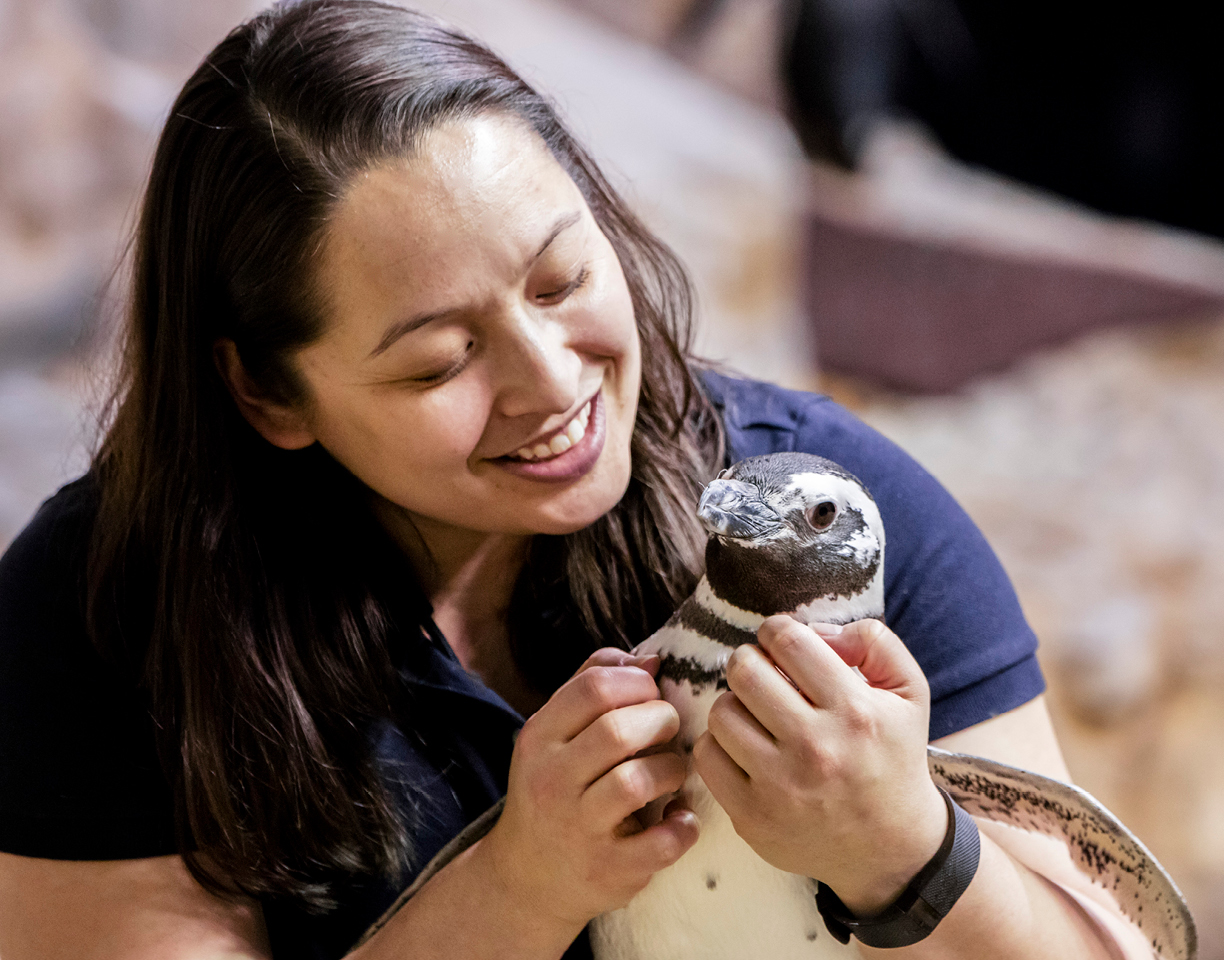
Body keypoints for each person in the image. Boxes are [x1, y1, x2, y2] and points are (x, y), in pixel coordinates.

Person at [0, 2, 1149, 958]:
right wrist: (518, 889)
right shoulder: (100, 615)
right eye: (440, 360)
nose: (551, 383)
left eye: (560, 281)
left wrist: (902, 844)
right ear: (266, 394)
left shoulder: (813, 506)